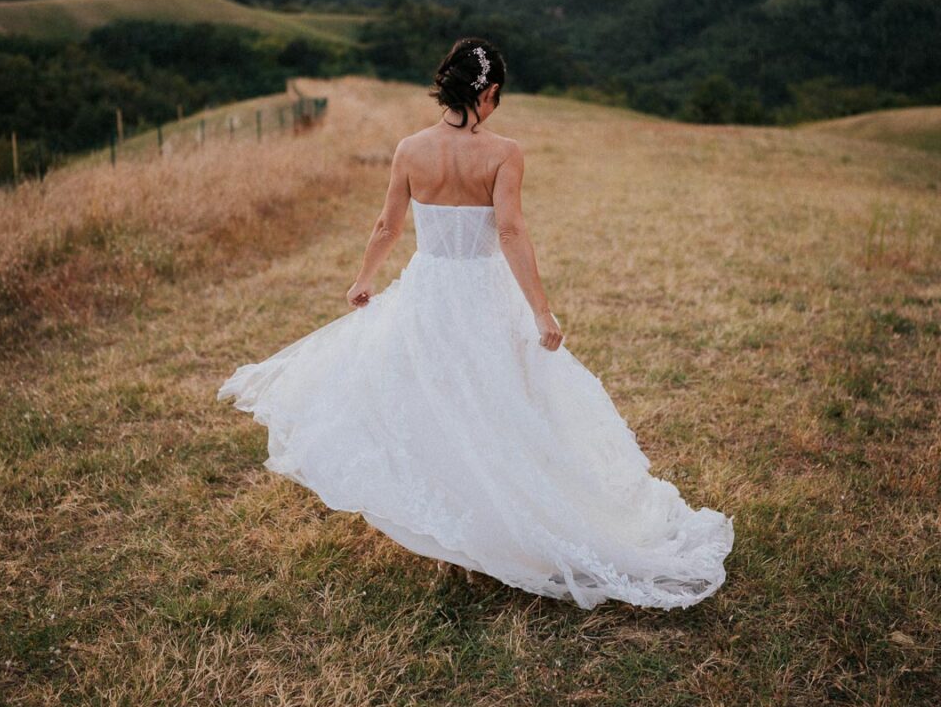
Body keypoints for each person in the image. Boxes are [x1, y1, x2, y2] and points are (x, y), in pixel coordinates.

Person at [217, 37, 734, 610]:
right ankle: (488, 526)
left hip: (428, 292)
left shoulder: (410, 148)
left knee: (433, 402)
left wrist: (364, 278)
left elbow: (387, 225)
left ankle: (455, 529)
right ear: (487, 93)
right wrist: (540, 308)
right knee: (499, 403)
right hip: (483, 292)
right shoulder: (503, 153)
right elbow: (510, 232)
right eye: (497, 96)